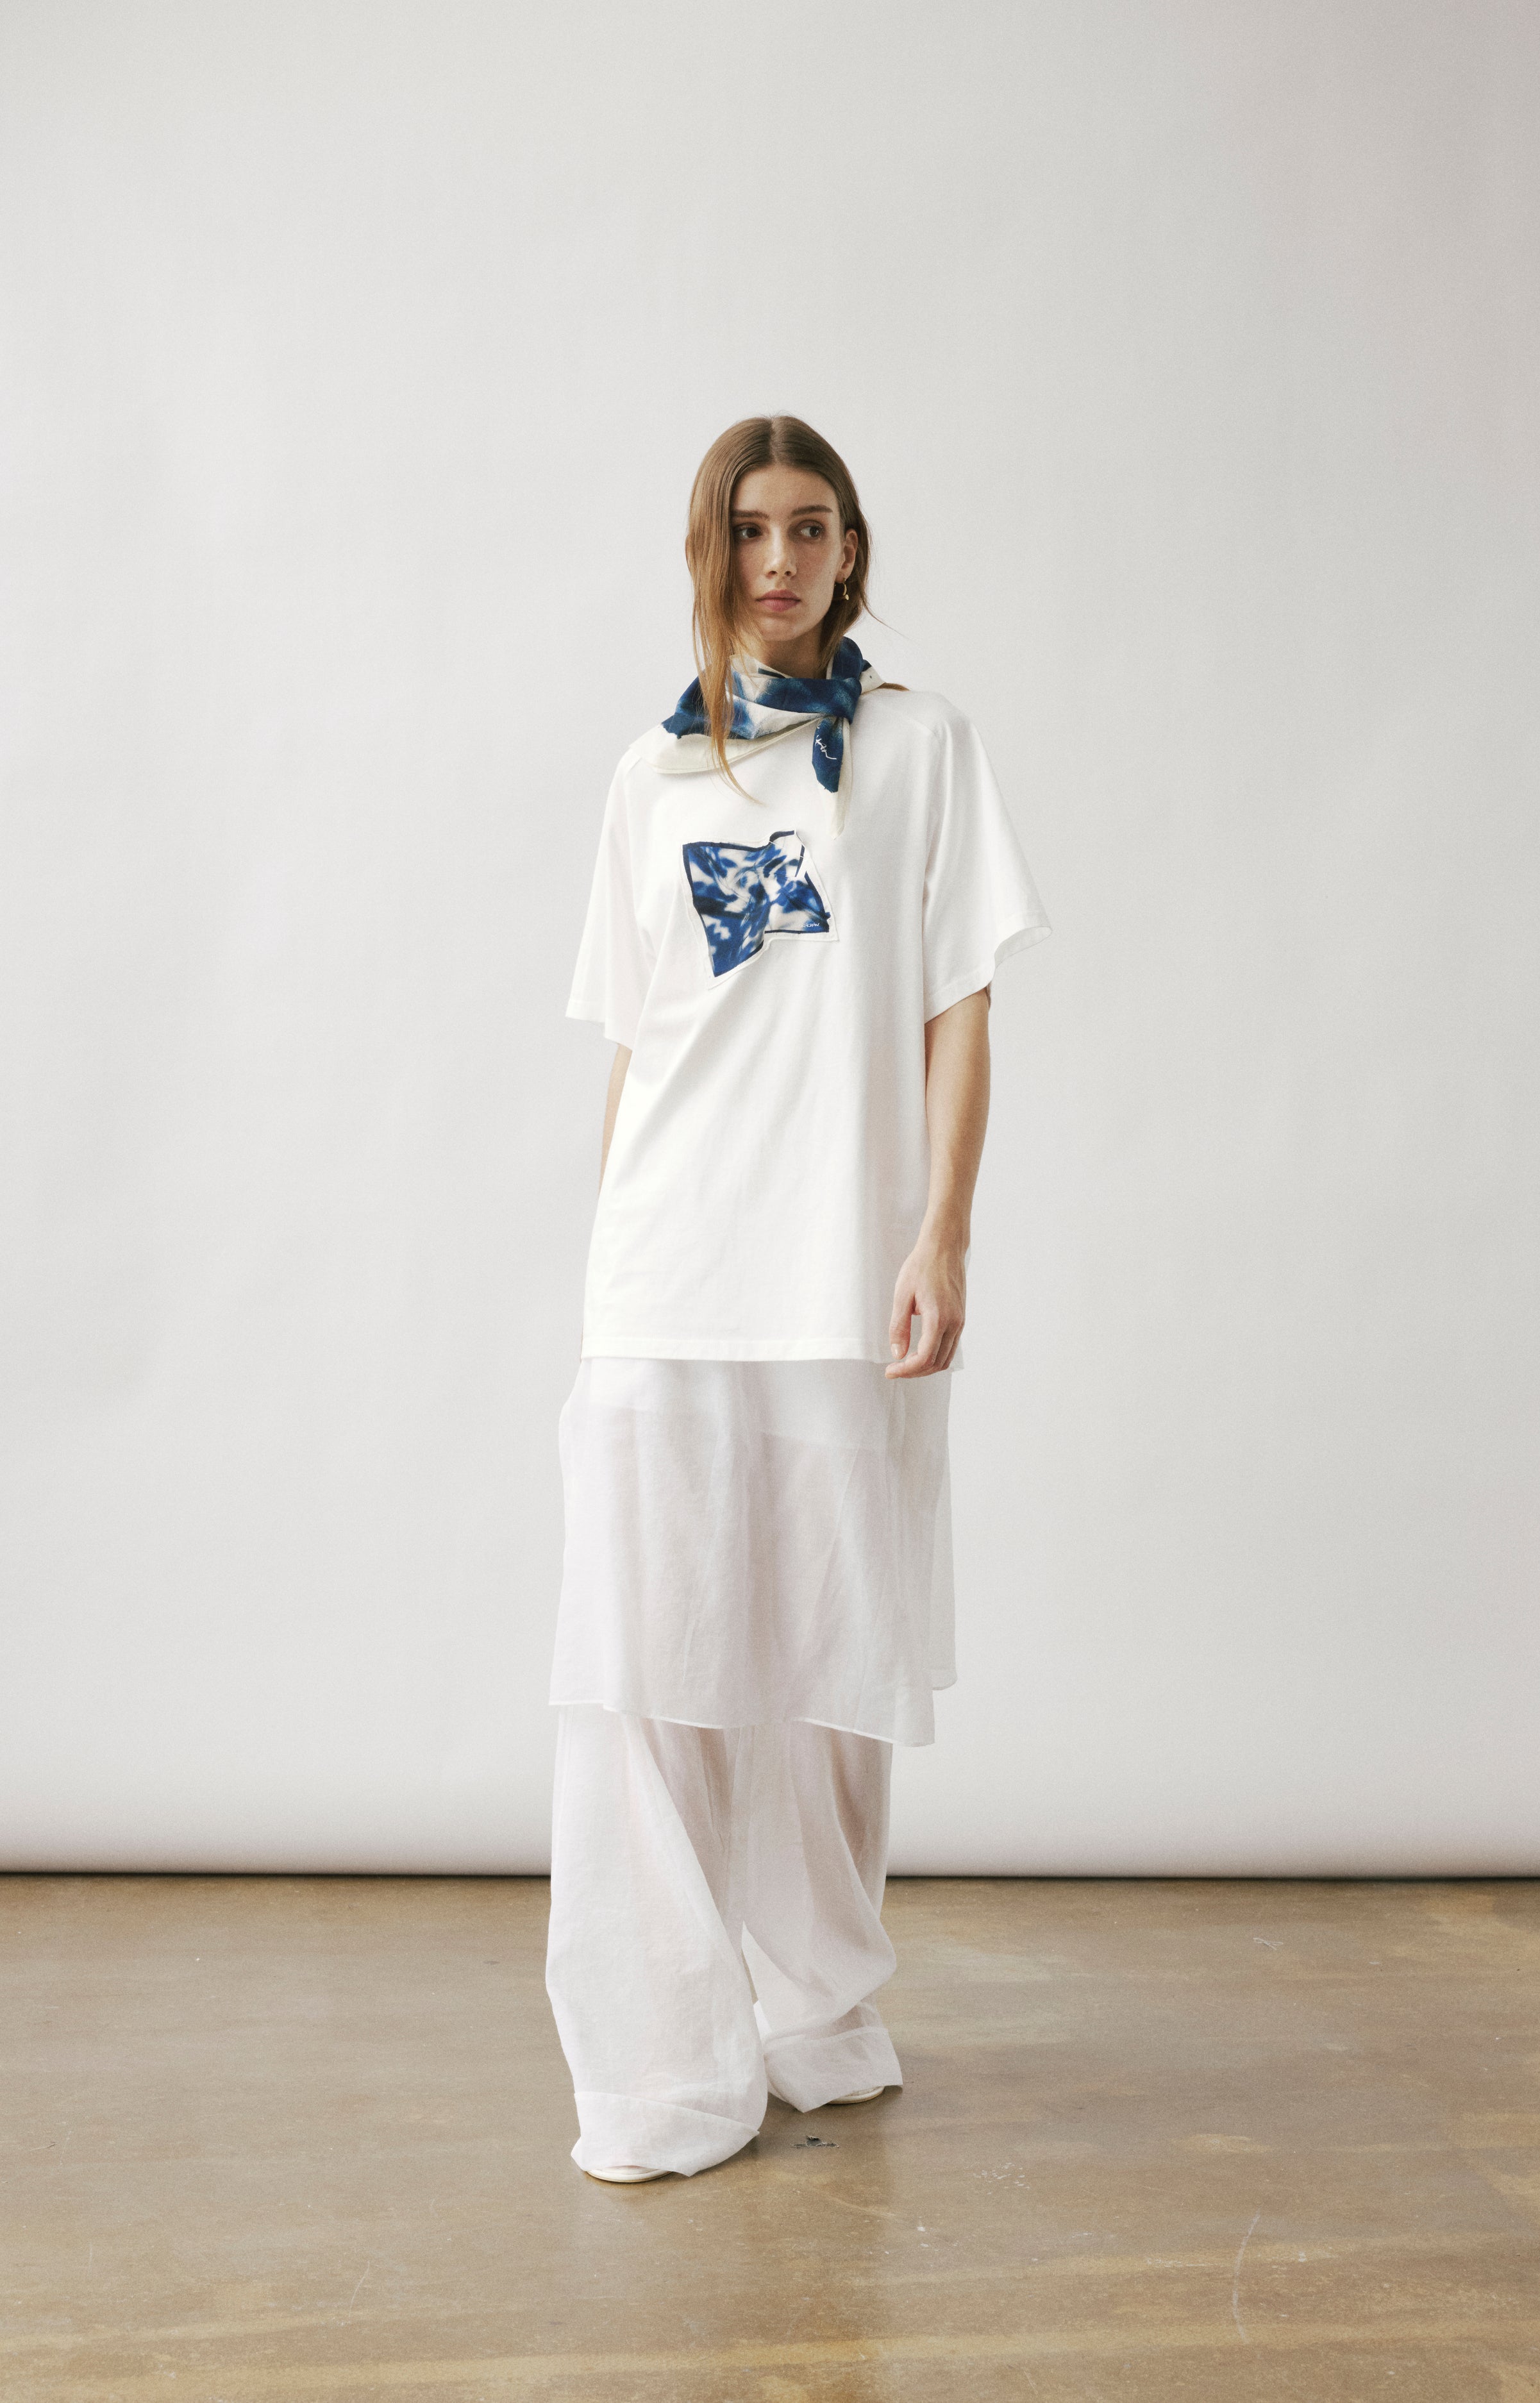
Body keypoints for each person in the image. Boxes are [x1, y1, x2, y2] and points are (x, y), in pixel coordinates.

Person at [545, 414, 1050, 2182]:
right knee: (651, 1667)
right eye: (750, 529)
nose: (781, 561)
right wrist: (606, 1266)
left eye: (811, 527)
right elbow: (637, 1047)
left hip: (839, 1271)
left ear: (851, 549)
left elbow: (957, 1008)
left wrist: (942, 1235)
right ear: (710, 549)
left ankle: (819, 2009)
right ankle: (663, 2068)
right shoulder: (650, 776)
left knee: (833, 1667)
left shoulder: (919, 748)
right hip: (667, 1266)